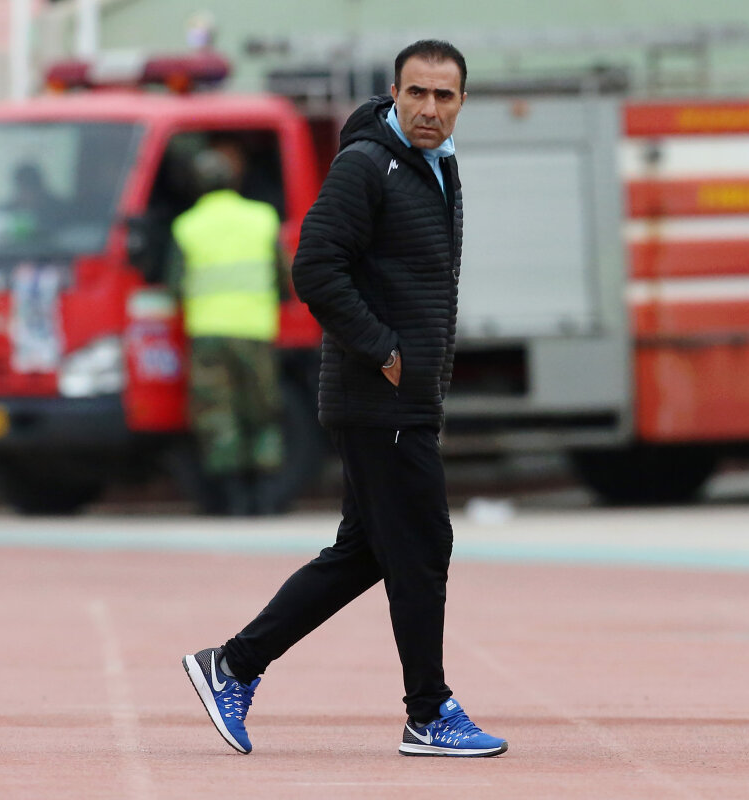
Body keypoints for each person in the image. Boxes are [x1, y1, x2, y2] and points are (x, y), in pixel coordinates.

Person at [183, 40, 508, 758]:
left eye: (443, 95)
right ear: (394, 94)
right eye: (416, 93)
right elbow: (315, 268)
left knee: (367, 551)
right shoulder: (368, 165)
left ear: (462, 102)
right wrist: (384, 350)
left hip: (405, 397)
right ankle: (429, 711)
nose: (429, 108)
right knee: (421, 546)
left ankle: (233, 664)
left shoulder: (435, 165)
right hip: (378, 397)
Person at [167, 146, 286, 515]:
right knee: (262, 408)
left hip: (208, 334)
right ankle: (265, 498)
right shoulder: (263, 218)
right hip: (256, 330)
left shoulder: (186, 226)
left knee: (217, 412)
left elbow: (174, 285)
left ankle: (233, 499)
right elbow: (284, 279)